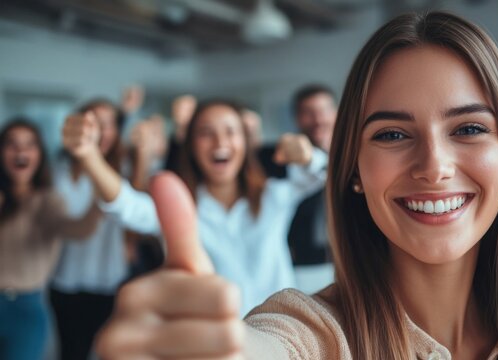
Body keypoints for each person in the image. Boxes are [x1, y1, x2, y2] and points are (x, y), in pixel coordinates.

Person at [95, 12, 498, 360]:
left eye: (469, 128)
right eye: (392, 134)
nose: (434, 166)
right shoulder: (320, 335)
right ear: (353, 173)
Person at [62, 99, 328, 315]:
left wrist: (306, 155)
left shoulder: (273, 195)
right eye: (206, 132)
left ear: (245, 143)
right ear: (191, 147)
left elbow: (322, 173)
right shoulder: (181, 208)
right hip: (218, 341)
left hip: (283, 335)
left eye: (230, 131)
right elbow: (128, 206)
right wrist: (89, 156)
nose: (220, 142)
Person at [0, 119, 100, 360]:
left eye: (29, 144)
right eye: (12, 144)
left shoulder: (48, 201)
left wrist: (102, 195)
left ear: (39, 154)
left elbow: (80, 229)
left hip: (27, 308)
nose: (21, 151)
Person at [48, 99, 131, 360]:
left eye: (109, 124)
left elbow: (141, 220)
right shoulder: (56, 173)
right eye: (95, 123)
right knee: (70, 352)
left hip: (108, 280)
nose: (102, 131)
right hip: (64, 276)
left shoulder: (125, 173)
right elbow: (63, 226)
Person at [286, 85, 337, 267]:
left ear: (336, 112)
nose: (318, 120)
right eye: (308, 112)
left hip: (355, 256)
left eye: (323, 110)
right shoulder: (287, 166)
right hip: (303, 262)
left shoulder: (358, 156)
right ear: (297, 118)